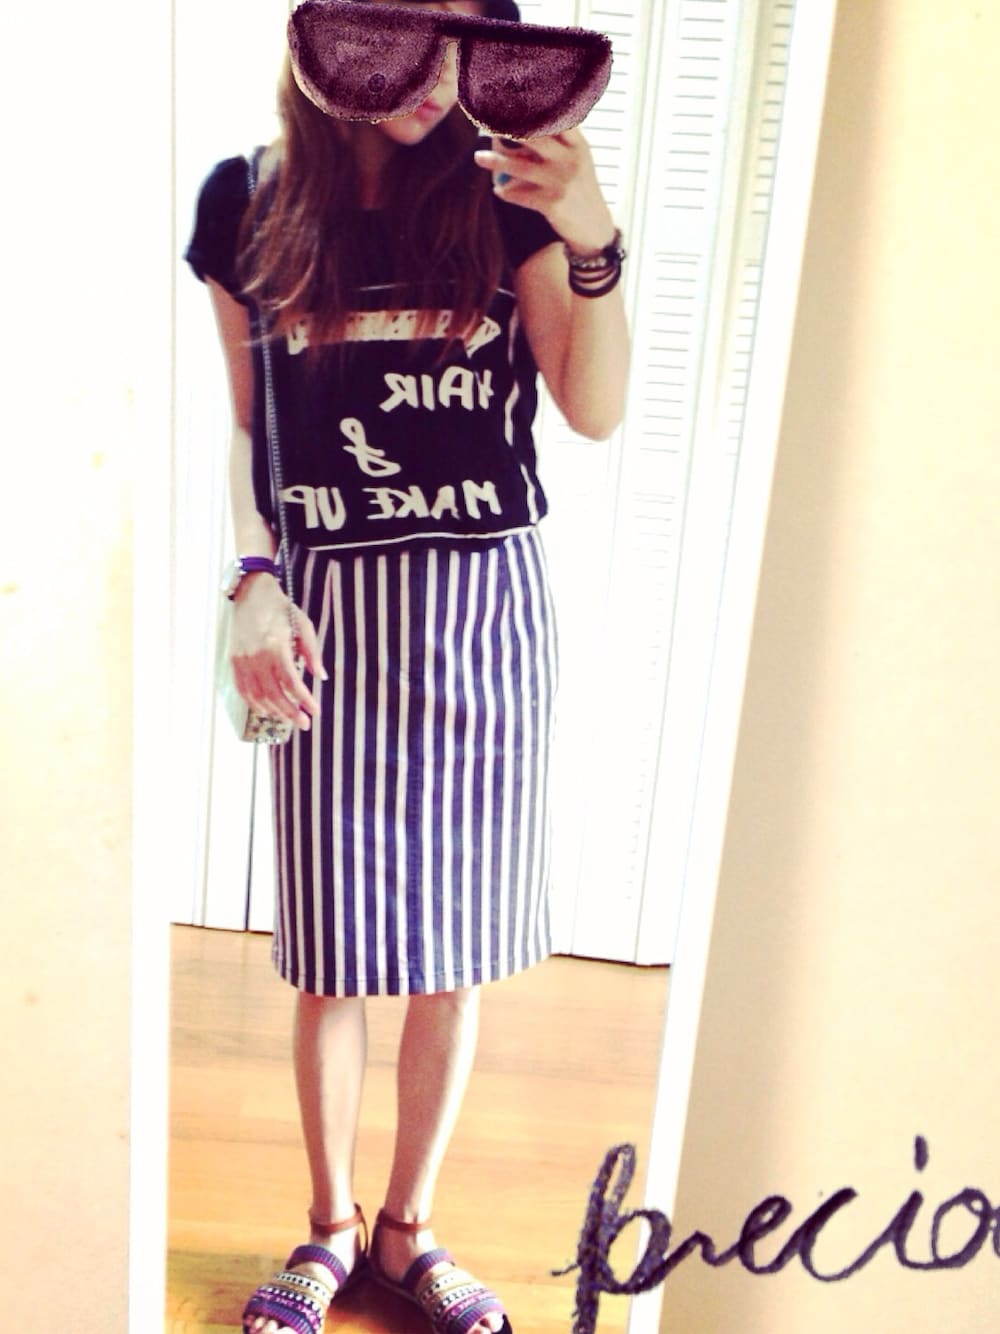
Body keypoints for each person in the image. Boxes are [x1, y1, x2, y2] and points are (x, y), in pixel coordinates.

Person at [185, 1, 629, 1330]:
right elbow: (248, 430)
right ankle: (330, 1230)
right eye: (406, 28)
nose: (437, 73)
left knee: (454, 954)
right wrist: (251, 579)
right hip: (322, 611)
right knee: (331, 951)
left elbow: (593, 408)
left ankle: (408, 1230)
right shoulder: (247, 198)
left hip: (483, 609)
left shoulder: (507, 198)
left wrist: (592, 237)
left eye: (467, 36)